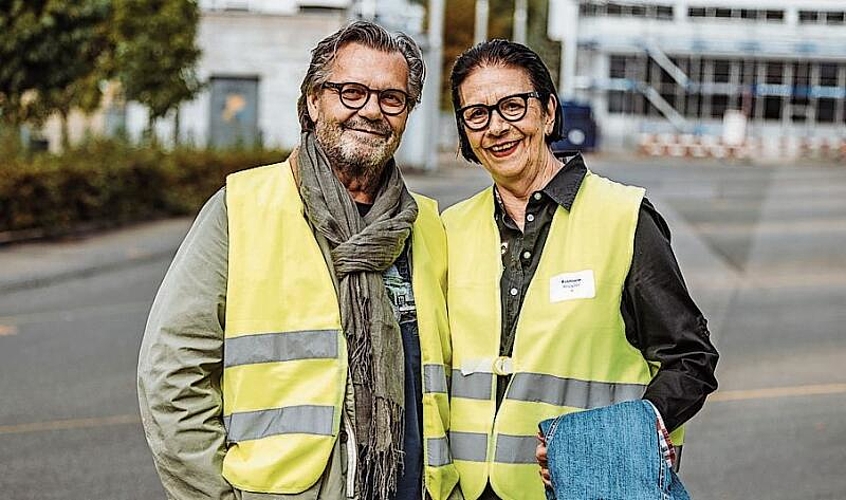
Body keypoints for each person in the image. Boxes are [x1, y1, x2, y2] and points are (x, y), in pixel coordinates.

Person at [138, 21, 461, 500]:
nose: (371, 111)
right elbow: (172, 372)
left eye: (392, 98)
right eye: (351, 92)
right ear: (314, 101)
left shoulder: (428, 225)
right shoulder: (242, 206)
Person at [441, 39, 719, 500]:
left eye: (513, 106)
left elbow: (690, 360)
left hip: (588, 487)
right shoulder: (449, 228)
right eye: (477, 114)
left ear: (548, 112)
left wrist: (623, 440)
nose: (496, 127)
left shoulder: (624, 217)